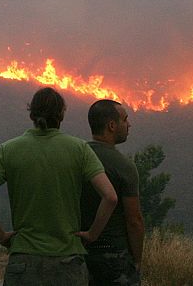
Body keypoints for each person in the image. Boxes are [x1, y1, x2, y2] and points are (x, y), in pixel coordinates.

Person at [0, 87, 118, 286]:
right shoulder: (79, 149)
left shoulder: (8, 150)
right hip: (67, 263)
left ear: (31, 114)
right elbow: (110, 197)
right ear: (62, 115)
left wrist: (1, 237)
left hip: (24, 262)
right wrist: (92, 234)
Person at [80, 100, 144, 286]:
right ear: (111, 126)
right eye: (125, 119)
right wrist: (137, 261)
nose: (129, 125)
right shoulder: (124, 166)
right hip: (114, 258)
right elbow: (134, 220)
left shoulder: (77, 158)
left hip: (78, 254)